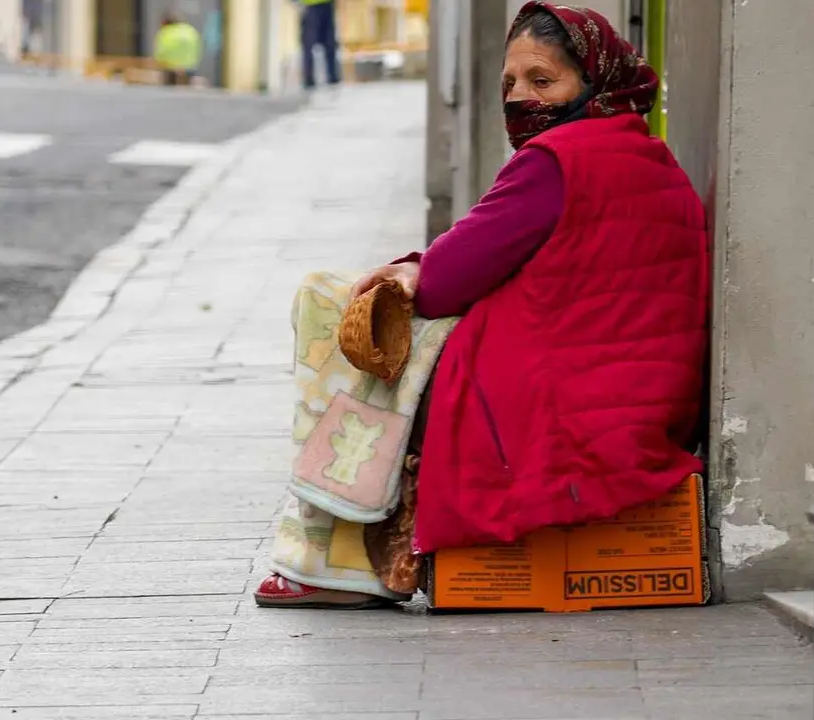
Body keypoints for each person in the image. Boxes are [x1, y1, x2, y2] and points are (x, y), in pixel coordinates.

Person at [255, 1, 709, 609]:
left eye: (542, 81)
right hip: (643, 416)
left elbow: (444, 283)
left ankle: (337, 561)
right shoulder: (651, 160)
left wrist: (408, 270)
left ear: (594, 82)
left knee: (335, 302)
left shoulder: (556, 161)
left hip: (556, 417)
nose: (521, 97)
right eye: (510, 83)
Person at [298, 0, 341, 91]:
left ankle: (332, 77)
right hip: (310, 6)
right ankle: (309, 79)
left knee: (329, 43)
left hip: (326, 5)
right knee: (310, 44)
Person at [153, 12, 202, 86]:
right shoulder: (190, 30)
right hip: (189, 68)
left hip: (171, 69)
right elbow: (197, 48)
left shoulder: (166, 32)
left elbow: (161, 53)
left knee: (169, 92)